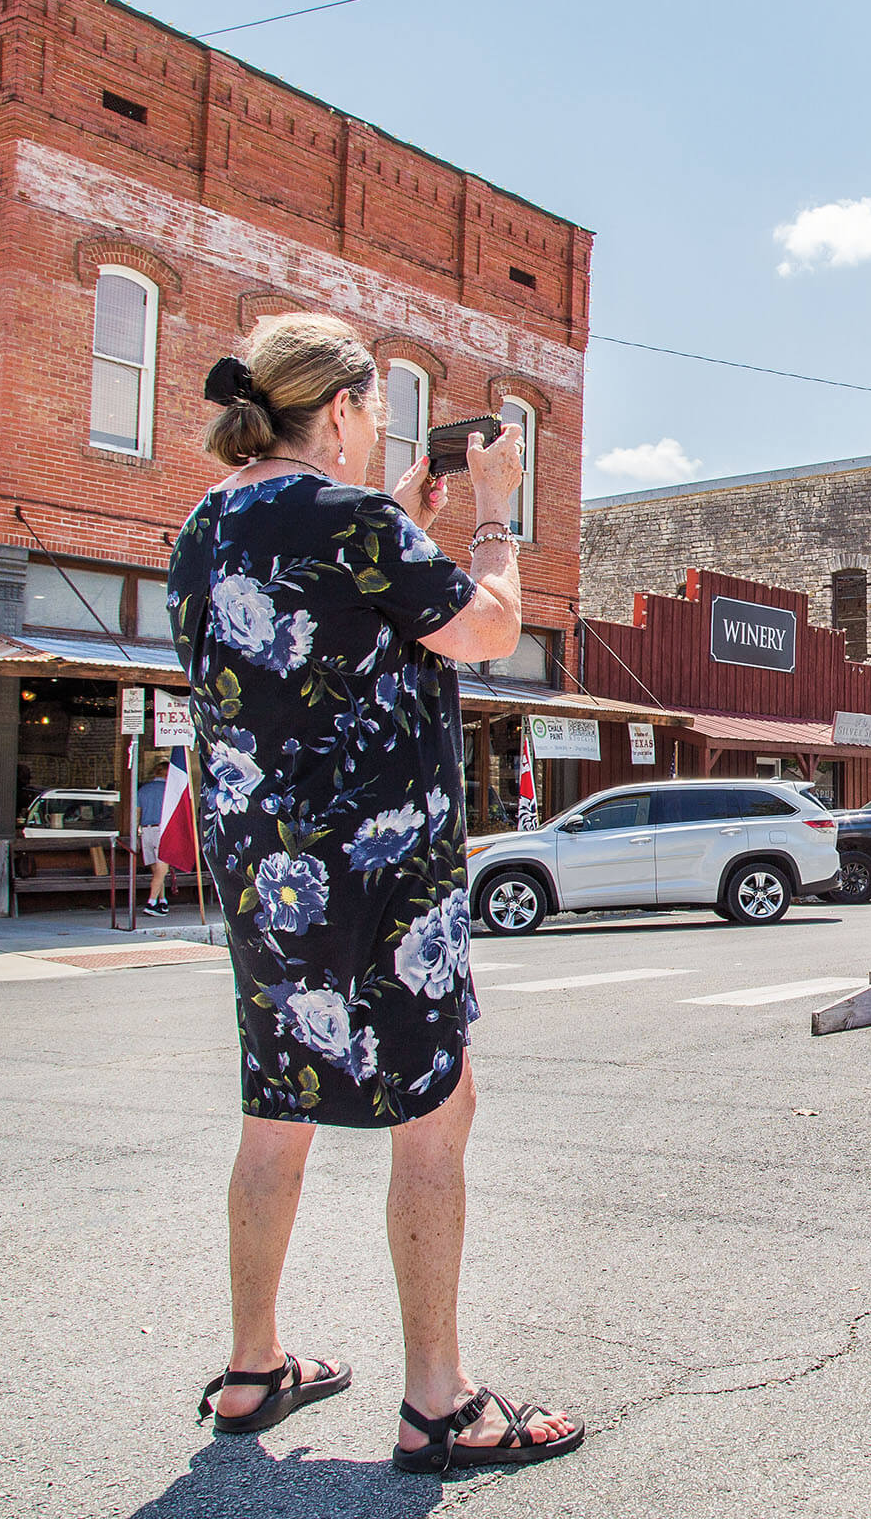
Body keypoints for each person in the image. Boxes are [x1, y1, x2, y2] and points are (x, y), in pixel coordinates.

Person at [169, 313, 581, 1475]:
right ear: (343, 410)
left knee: (274, 1113)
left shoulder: (203, 527)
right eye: (373, 418)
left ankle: (253, 1368)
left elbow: (318, 623)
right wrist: (494, 512)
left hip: (265, 879)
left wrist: (398, 523)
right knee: (434, 1112)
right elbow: (488, 629)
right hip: (381, 877)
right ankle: (439, 1404)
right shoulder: (349, 521)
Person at [135, 763, 172, 917]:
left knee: (156, 870)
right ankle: (151, 902)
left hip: (146, 830)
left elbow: (137, 812)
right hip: (162, 830)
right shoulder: (170, 791)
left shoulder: (143, 790)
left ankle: (162, 900)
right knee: (163, 869)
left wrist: (136, 831)